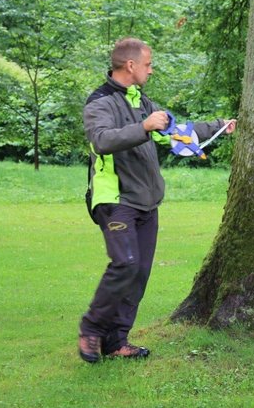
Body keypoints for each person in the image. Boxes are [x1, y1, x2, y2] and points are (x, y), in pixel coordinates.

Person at [78, 37, 236, 363]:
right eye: (148, 64)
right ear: (131, 65)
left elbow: (180, 131)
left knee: (139, 273)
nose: (151, 70)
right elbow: (102, 140)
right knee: (125, 264)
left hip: (147, 203)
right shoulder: (100, 102)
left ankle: (116, 341)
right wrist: (144, 127)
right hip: (116, 199)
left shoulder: (141, 100)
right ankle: (91, 330)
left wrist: (220, 126)